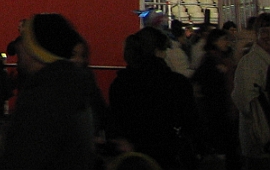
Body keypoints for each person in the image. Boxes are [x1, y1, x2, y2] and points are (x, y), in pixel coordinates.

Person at [0, 13, 96, 170]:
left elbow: (22, 160)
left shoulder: (41, 101)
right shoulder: (69, 86)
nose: (19, 45)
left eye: (24, 40)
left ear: (37, 49)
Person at [109, 25, 199, 169]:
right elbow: (191, 122)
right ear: (158, 51)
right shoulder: (175, 83)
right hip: (169, 155)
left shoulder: (120, 83)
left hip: (133, 157)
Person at [193, 28, 239, 166]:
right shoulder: (211, 60)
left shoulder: (223, 59)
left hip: (223, 107)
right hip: (218, 109)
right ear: (215, 41)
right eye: (223, 39)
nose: (227, 43)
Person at [232, 12, 270, 169]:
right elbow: (243, 100)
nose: (268, 36)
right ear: (256, 34)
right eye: (265, 32)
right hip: (260, 135)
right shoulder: (249, 62)